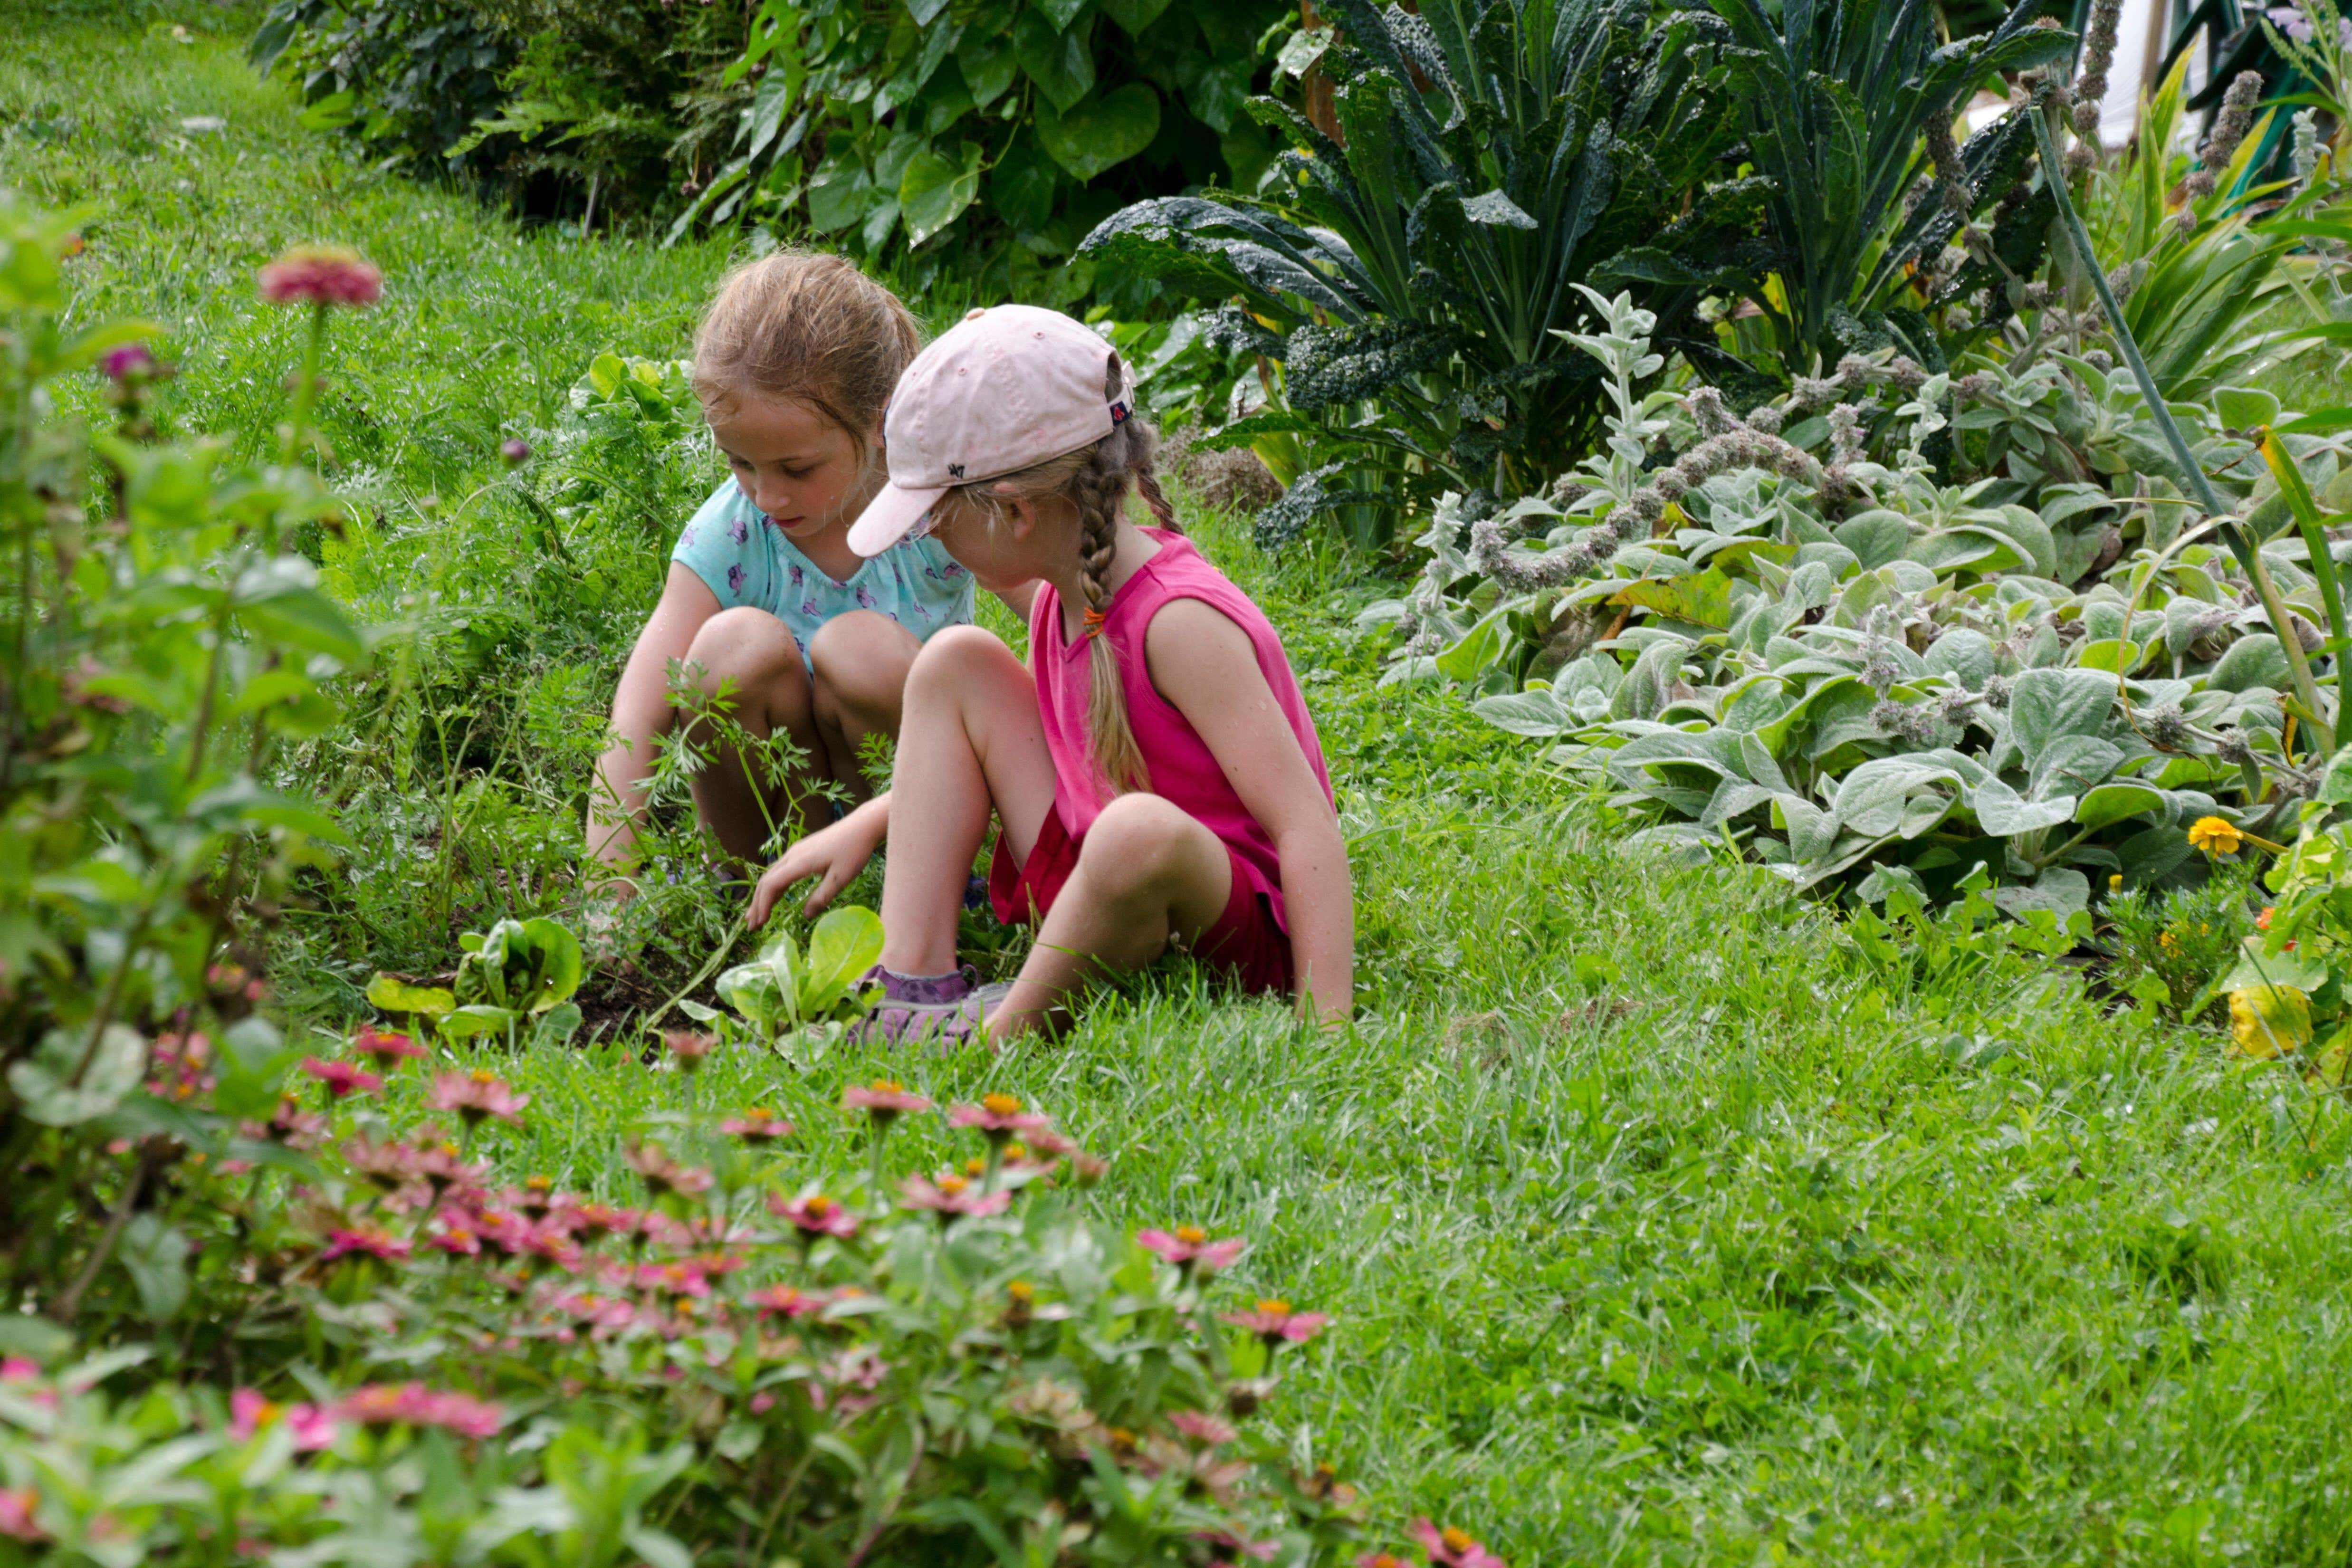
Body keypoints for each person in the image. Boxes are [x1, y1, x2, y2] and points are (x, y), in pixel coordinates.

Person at [746, 305, 1353, 1044]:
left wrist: (1326, 1027)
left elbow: (1304, 825)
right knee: (955, 660)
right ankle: (912, 988)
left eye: (936, 515)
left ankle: (999, 1037)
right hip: (1100, 873)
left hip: (1218, 926)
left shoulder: (1179, 622)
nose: (930, 533)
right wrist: (875, 823)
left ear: (1017, 514)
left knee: (1136, 831)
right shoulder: (1064, 586)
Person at [585, 252, 1005, 887]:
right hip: (772, 829)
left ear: (881, 421)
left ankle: (915, 882)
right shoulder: (731, 531)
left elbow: (1066, 611)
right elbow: (638, 714)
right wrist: (606, 888)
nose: (767, 497)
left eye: (797, 469)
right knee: (727, 649)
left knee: (860, 647)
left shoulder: (937, 513)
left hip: (906, 819)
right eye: (739, 463)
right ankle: (752, 888)